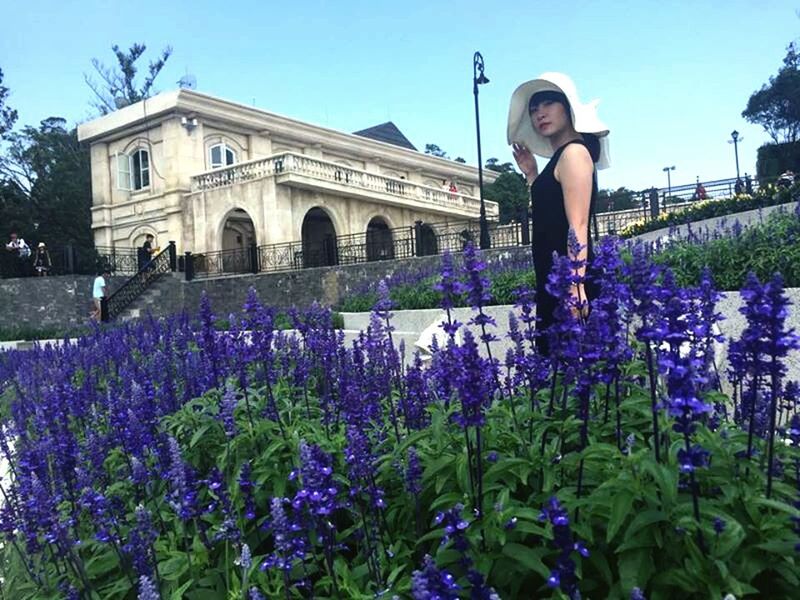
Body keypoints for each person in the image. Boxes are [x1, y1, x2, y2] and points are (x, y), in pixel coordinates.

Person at [507, 72, 610, 356]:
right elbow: (549, 215)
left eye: (548, 103)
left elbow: (577, 225)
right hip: (553, 278)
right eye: (533, 109)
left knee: (571, 370)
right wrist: (532, 175)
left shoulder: (574, 153)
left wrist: (575, 287)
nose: (540, 113)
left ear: (568, 107)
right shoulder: (562, 157)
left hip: (567, 280)